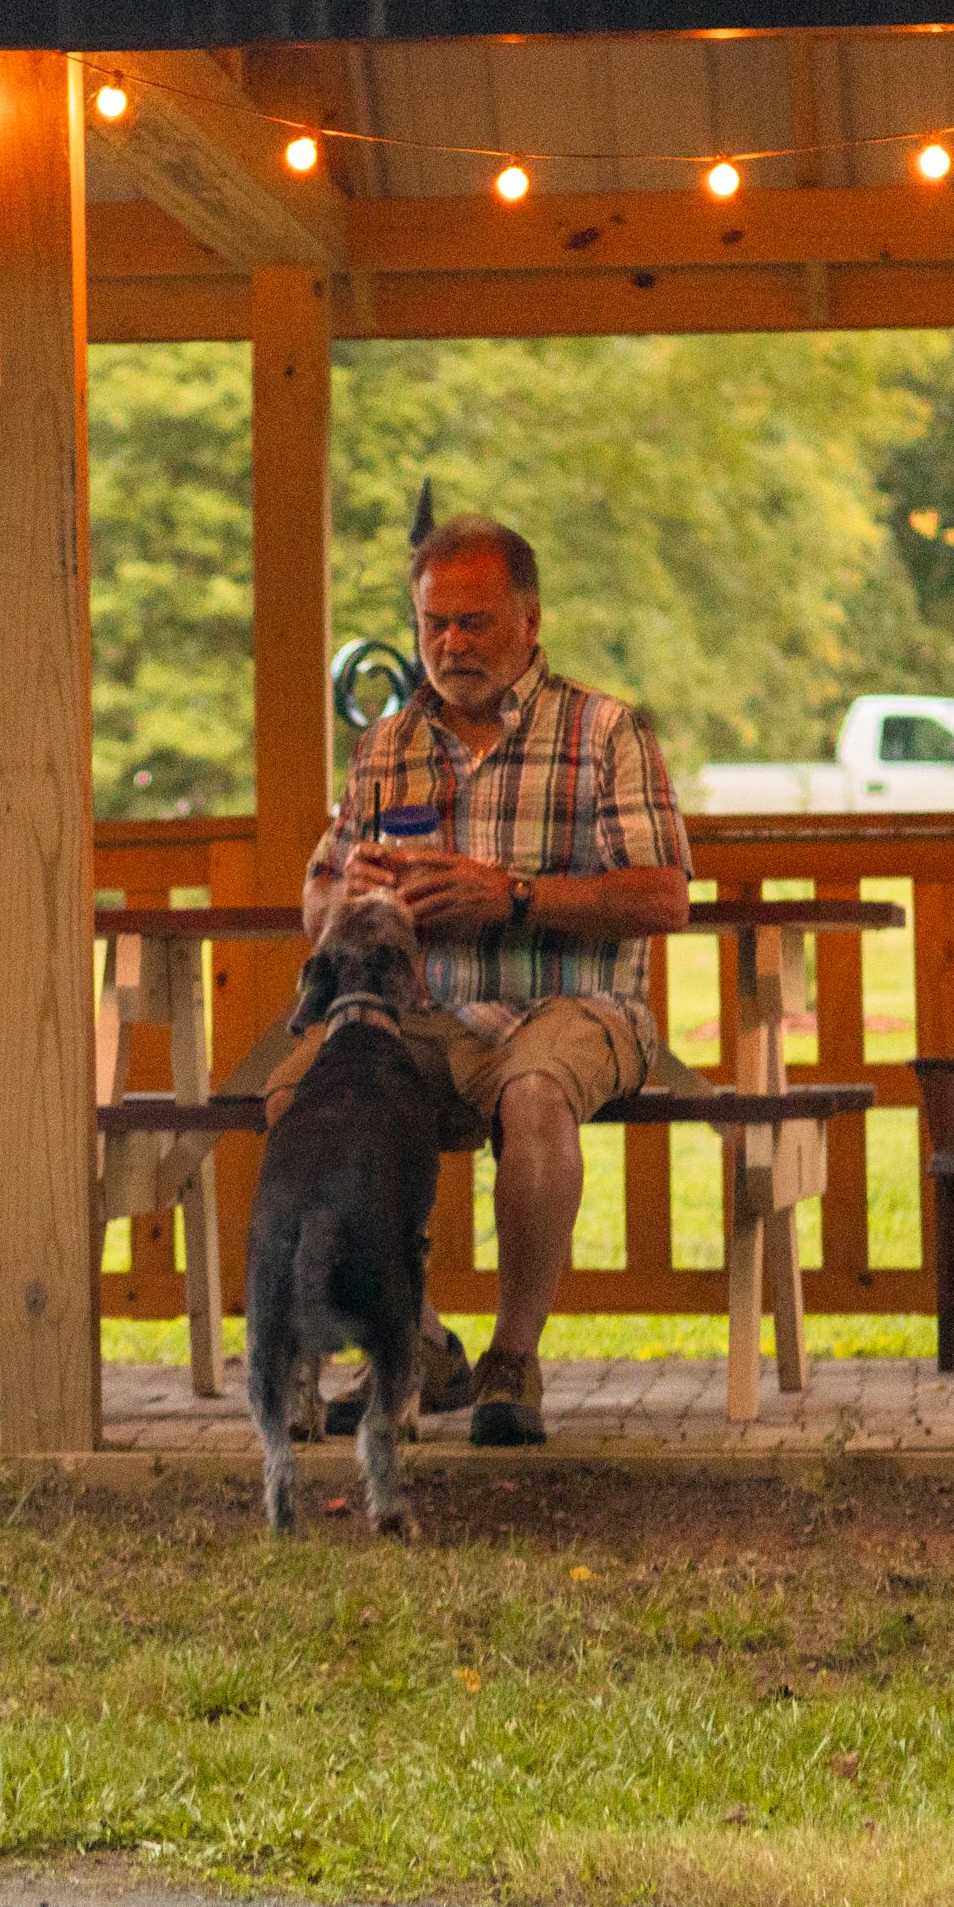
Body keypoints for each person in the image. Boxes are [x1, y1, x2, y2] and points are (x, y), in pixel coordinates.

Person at [266, 515, 693, 1447]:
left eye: (477, 622)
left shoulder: (605, 729)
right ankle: (419, 1347)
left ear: (530, 622)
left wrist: (514, 896)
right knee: (300, 1096)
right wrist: (356, 896)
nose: (452, 646)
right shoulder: (386, 748)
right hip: (419, 1014)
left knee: (536, 1094)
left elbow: (664, 896)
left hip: (572, 1007)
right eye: (435, 626)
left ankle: (512, 1360)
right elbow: (319, 897)